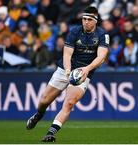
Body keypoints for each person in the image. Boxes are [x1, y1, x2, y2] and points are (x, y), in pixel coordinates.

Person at [26, 6, 109, 142]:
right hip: (65, 69)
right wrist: (68, 71)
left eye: (89, 19)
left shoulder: (102, 35)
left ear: (95, 20)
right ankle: (39, 115)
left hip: (84, 72)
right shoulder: (75, 31)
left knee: (70, 103)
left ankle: (51, 133)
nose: (85, 22)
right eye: (84, 19)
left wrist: (86, 69)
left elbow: (101, 57)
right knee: (44, 101)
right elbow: (67, 54)